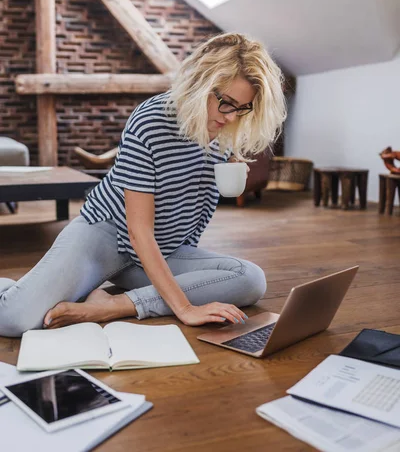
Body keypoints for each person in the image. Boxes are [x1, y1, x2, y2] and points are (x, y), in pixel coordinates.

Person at [0, 32, 286, 337]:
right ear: (200, 83)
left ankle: (111, 305)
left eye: (243, 108)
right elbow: (138, 232)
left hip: (165, 250)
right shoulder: (152, 120)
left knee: (251, 279)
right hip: (106, 238)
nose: (230, 117)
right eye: (226, 103)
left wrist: (228, 168)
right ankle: (20, 288)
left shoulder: (225, 131)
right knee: (13, 320)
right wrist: (185, 309)